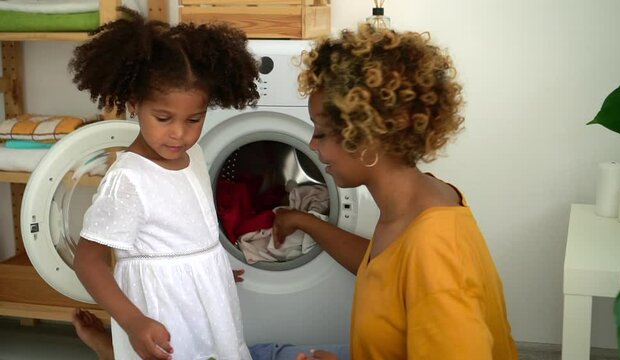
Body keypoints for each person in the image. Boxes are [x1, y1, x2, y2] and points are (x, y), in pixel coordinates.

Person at [271, 24, 519, 359]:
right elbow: (385, 273)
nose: (312, 144)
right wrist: (304, 221)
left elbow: (421, 272)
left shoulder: (435, 250)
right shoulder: (421, 199)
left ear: (368, 135)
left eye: (323, 132)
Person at [70, 7, 259, 360]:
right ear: (133, 105)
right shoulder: (129, 180)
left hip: (205, 299)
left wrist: (208, 264)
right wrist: (133, 322)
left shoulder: (196, 155)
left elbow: (186, 228)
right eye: (163, 118)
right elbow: (88, 261)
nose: (179, 133)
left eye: (194, 119)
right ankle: (110, 347)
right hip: (159, 313)